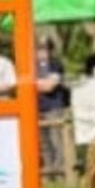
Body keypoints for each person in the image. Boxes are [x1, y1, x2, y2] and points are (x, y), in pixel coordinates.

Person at [36, 37, 67, 174]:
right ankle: (49, 171)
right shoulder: (33, 66)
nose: (42, 52)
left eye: (45, 49)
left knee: (56, 141)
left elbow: (50, 86)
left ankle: (60, 170)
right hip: (39, 107)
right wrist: (42, 84)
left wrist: (37, 84)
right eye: (40, 49)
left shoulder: (56, 65)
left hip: (54, 107)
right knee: (44, 143)